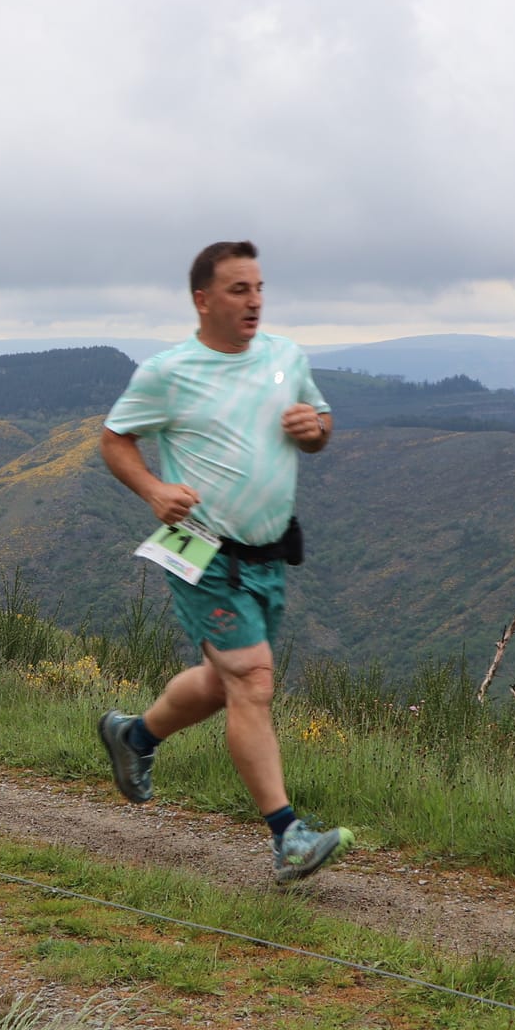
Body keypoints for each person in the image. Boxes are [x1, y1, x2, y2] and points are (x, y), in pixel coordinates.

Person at [96, 240, 350, 883]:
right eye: (239, 289)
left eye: (259, 288)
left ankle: (134, 738)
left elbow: (320, 423)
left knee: (222, 683)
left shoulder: (286, 357)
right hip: (201, 550)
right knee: (253, 680)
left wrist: (315, 430)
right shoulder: (169, 372)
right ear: (203, 300)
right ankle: (288, 836)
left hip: (268, 555)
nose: (255, 300)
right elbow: (114, 439)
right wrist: (153, 490)